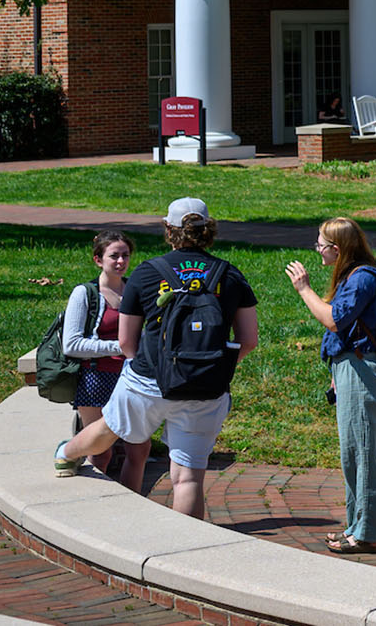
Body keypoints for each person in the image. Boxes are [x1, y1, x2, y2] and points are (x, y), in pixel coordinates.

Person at [54, 198, 260, 522]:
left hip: (147, 381)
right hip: (206, 388)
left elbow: (125, 340)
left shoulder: (148, 272)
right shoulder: (230, 274)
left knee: (109, 428)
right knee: (188, 477)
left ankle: (66, 454)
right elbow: (248, 341)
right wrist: (209, 367)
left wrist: (149, 371)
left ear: (169, 229)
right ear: (209, 230)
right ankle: (183, 554)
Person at [283, 217, 376, 554]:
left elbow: (333, 319)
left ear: (337, 248)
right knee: (351, 454)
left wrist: (304, 288)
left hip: (362, 369)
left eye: (321, 243)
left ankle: (368, 533)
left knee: (362, 452)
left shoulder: (361, 279)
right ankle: (355, 525)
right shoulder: (353, 276)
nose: (317, 249)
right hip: (350, 366)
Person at [61, 231, 152, 492]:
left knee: (140, 447)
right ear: (98, 260)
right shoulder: (85, 294)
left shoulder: (135, 290)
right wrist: (120, 346)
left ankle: (131, 503)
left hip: (132, 377)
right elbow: (72, 344)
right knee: (101, 452)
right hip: (96, 378)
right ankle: (95, 503)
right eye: (114, 256)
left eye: (125, 255)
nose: (121, 261)